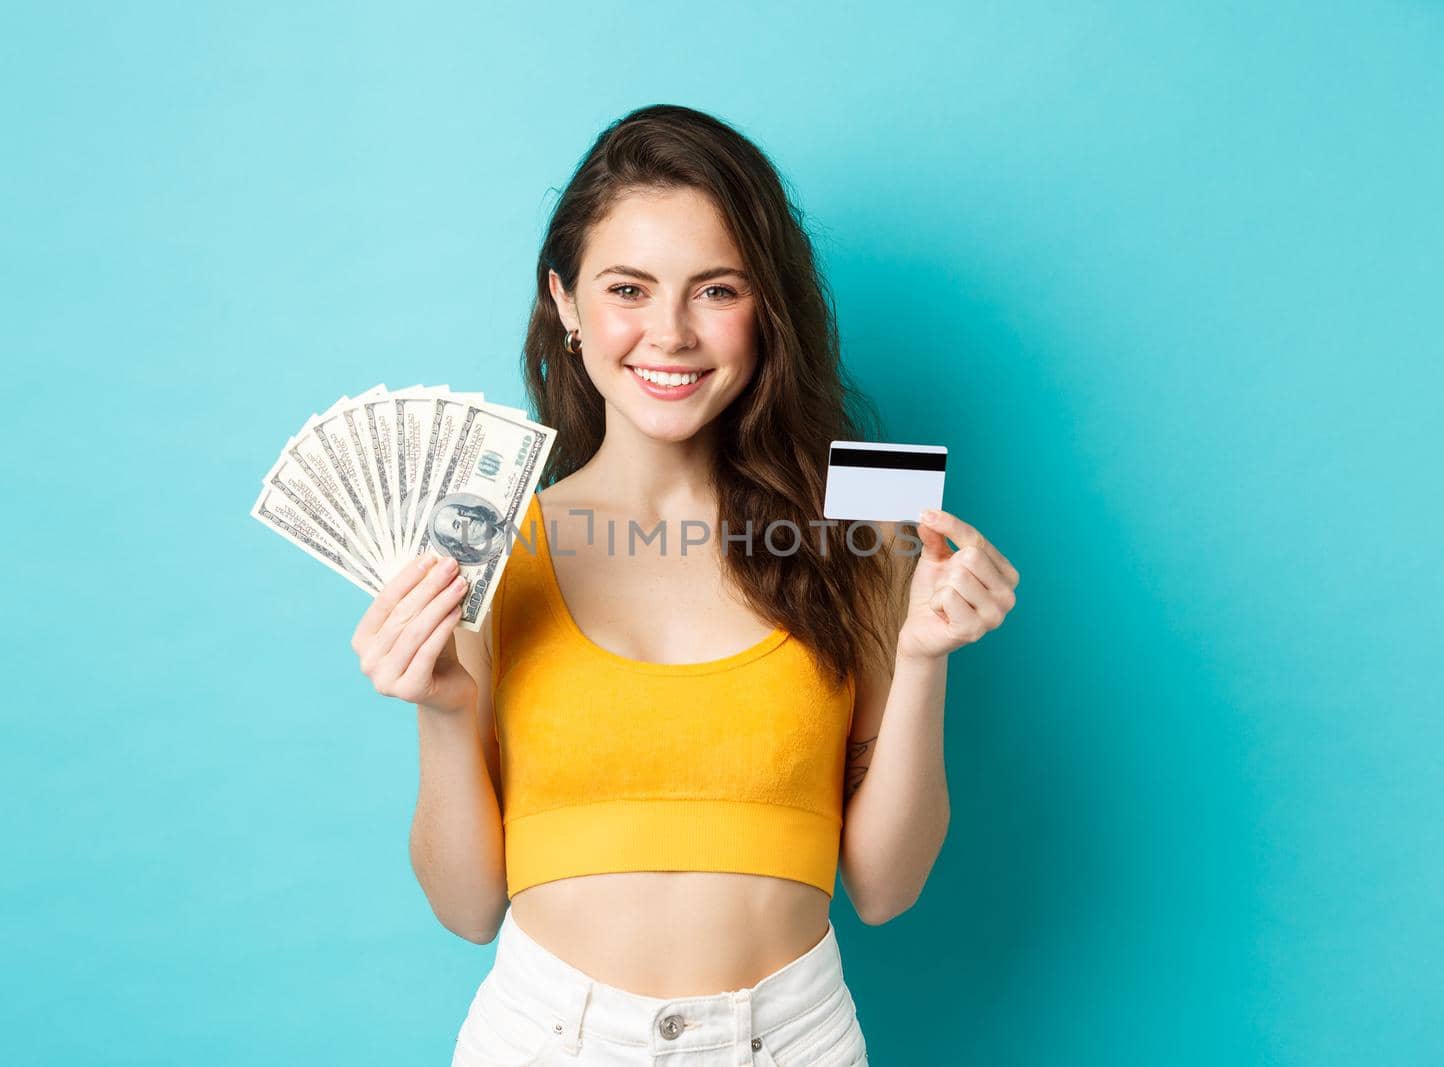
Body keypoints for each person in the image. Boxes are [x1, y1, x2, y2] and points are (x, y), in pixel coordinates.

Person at [350, 104, 1020, 1066]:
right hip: (544, 1037)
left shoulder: (861, 544)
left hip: (790, 1039)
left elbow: (886, 886)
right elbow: (466, 908)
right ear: (566, 302)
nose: (669, 333)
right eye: (628, 287)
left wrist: (923, 657)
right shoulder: (484, 549)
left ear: (766, 311)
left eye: (716, 290)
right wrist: (445, 711)